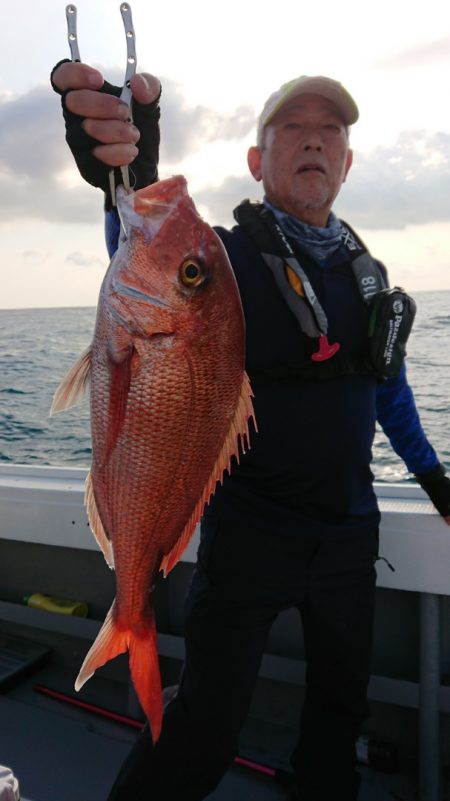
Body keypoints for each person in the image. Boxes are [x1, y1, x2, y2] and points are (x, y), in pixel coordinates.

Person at [51, 61, 450, 801]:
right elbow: (152, 263)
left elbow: (387, 390)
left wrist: (434, 477)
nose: (315, 142)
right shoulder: (227, 256)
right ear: (257, 161)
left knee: (339, 716)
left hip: (348, 533)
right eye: (292, 129)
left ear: (348, 161)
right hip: (249, 533)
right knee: (205, 722)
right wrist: (132, 169)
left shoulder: (370, 274)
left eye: (331, 131)